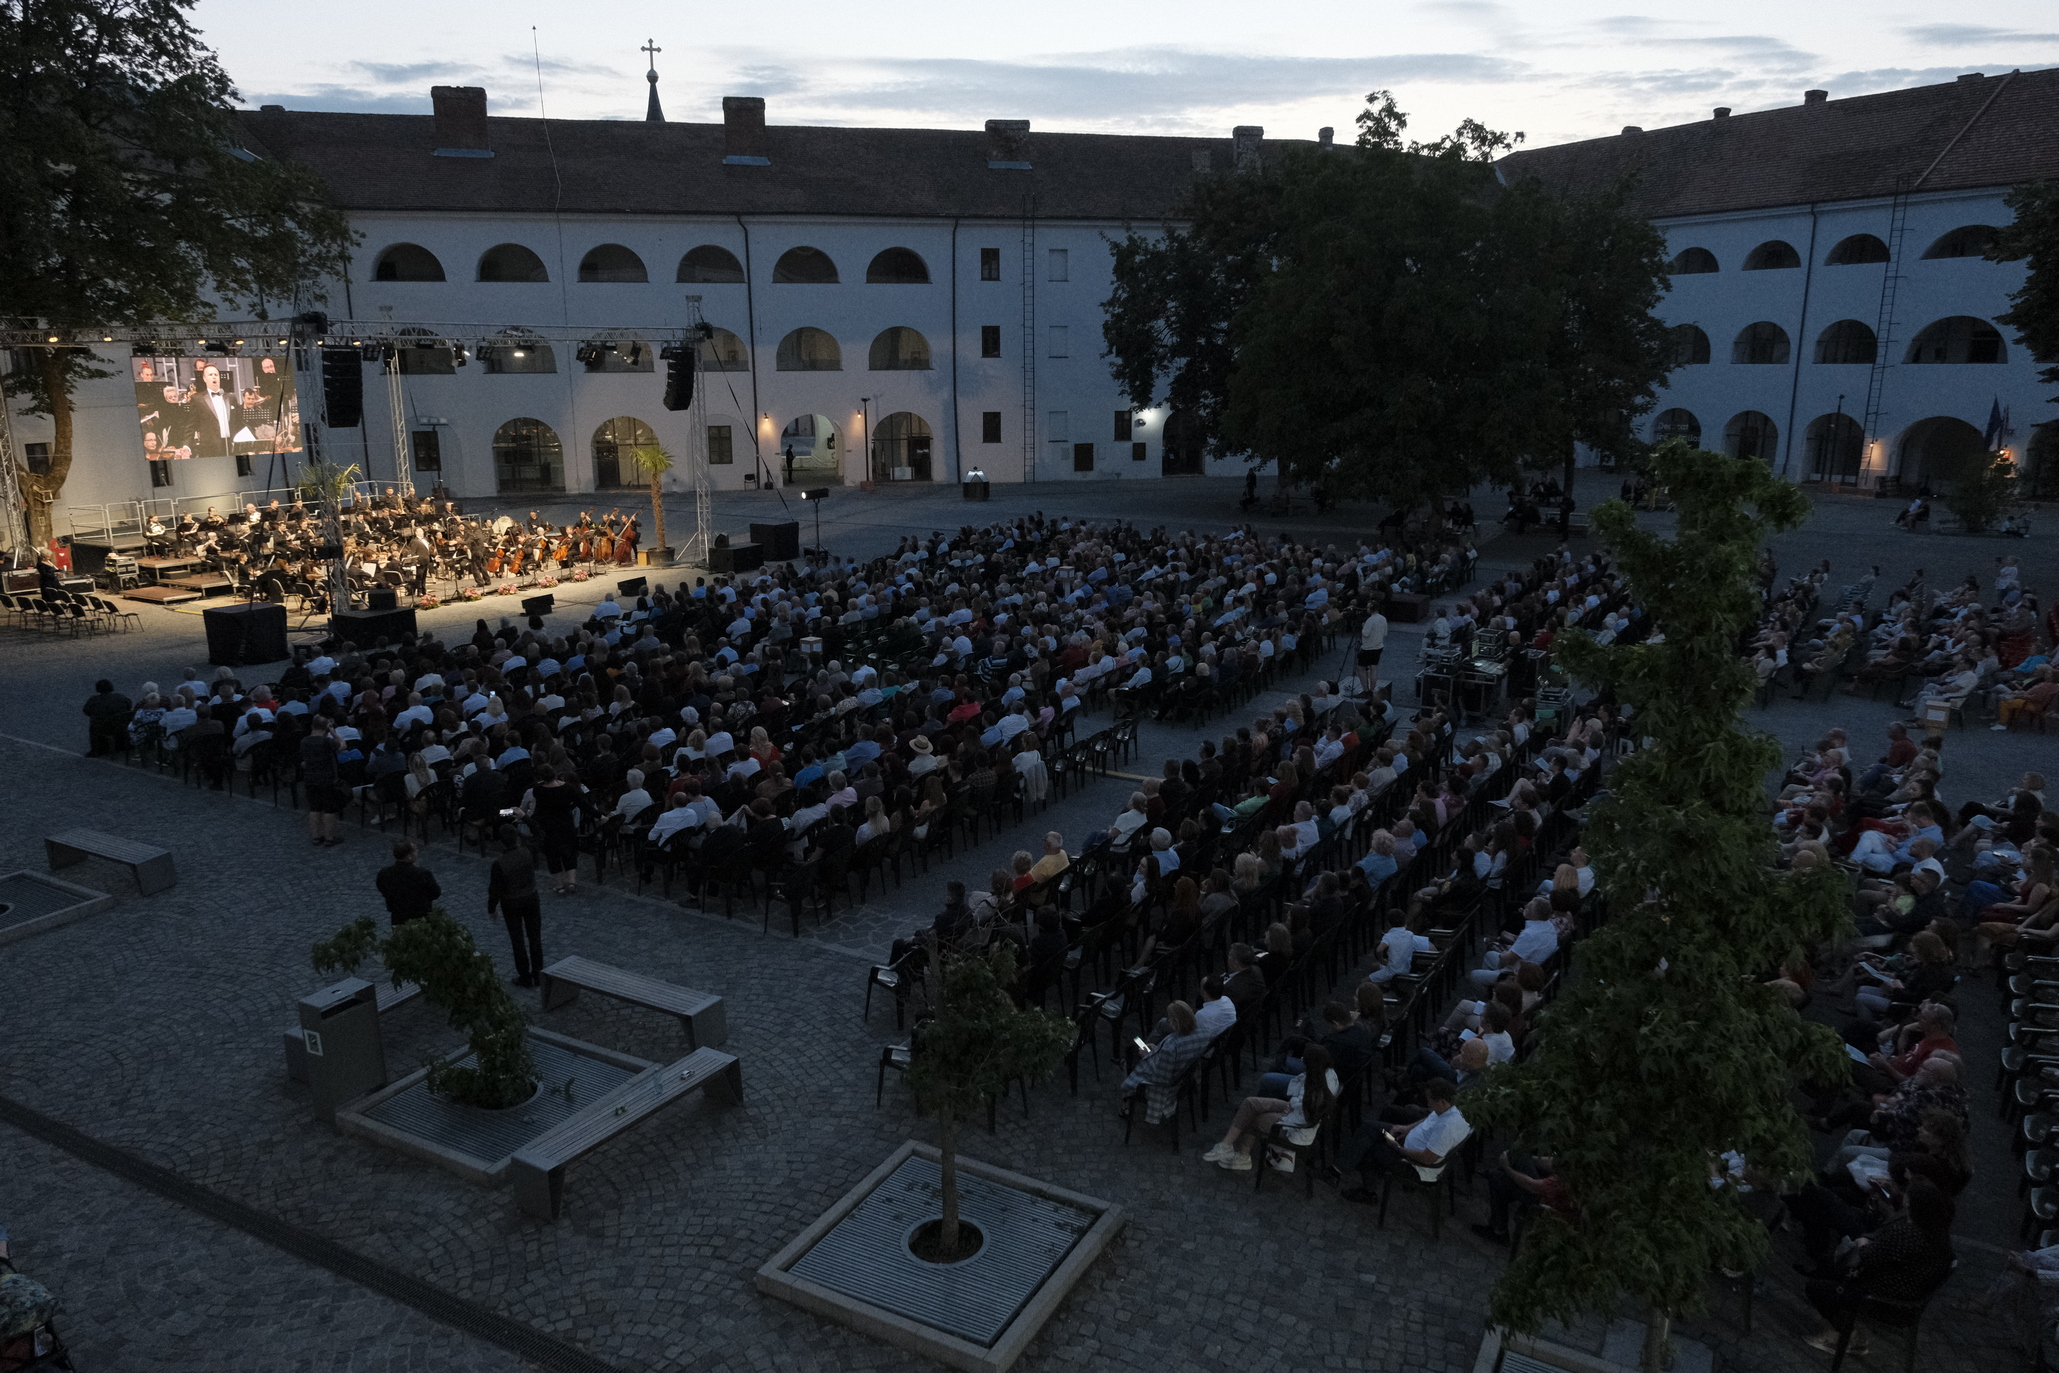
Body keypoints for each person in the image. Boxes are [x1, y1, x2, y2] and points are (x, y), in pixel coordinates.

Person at [1204, 1045, 1339, 1172]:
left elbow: (1305, 1112)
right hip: (1294, 1111)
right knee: (1250, 1103)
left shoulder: (1317, 1087)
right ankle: (1226, 1145)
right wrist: (1292, 1106)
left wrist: (1289, 1109)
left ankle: (1243, 1157)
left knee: (1253, 1117)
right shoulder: (1326, 1074)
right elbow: (1300, 1103)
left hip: (1294, 1126)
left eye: (1304, 1060)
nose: (1302, 1062)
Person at [1338, 1077, 1470, 1201]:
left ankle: (1368, 1193)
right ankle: (1339, 1168)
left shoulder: (1447, 1128)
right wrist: (1407, 1128)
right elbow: (1430, 1117)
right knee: (1370, 1127)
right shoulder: (1449, 1107)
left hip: (1413, 1165)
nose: (1427, 1102)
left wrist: (1397, 1148)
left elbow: (1427, 1159)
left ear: (1442, 1101)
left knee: (1372, 1149)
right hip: (1406, 1141)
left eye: (1429, 1099)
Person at [487, 824, 544, 986]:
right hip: (531, 898)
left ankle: (525, 976)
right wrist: (524, 818)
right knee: (535, 937)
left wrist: (492, 908)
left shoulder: (499, 863)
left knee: (517, 940)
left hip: (511, 902)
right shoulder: (527, 851)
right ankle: (538, 973)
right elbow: (539, 833)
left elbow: (495, 889)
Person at [300, 715, 345, 847]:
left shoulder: (304, 741)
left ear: (312, 726)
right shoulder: (327, 742)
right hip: (326, 778)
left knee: (314, 808)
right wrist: (333, 733)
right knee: (329, 809)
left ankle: (316, 836)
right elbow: (342, 746)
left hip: (310, 778)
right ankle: (329, 837)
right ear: (326, 728)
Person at [374, 839, 441, 926]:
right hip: (421, 918)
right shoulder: (423, 874)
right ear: (409, 856)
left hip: (398, 916)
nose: (418, 852)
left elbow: (382, 888)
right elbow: (436, 893)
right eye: (415, 850)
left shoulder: (384, 873)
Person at [82, 678, 133, 757]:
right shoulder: (120, 697)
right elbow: (129, 706)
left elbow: (86, 710)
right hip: (121, 725)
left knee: (94, 724)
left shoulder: (94, 700)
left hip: (105, 727)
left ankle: (96, 749)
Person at [1358, 605, 1388, 692]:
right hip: (1378, 646)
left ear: (1371, 609)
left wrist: (1363, 626)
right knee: (1374, 667)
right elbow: (1385, 633)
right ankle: (1372, 689)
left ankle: (1365, 690)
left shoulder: (1370, 620)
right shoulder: (1383, 618)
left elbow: (1365, 633)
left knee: (1361, 668)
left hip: (1367, 648)